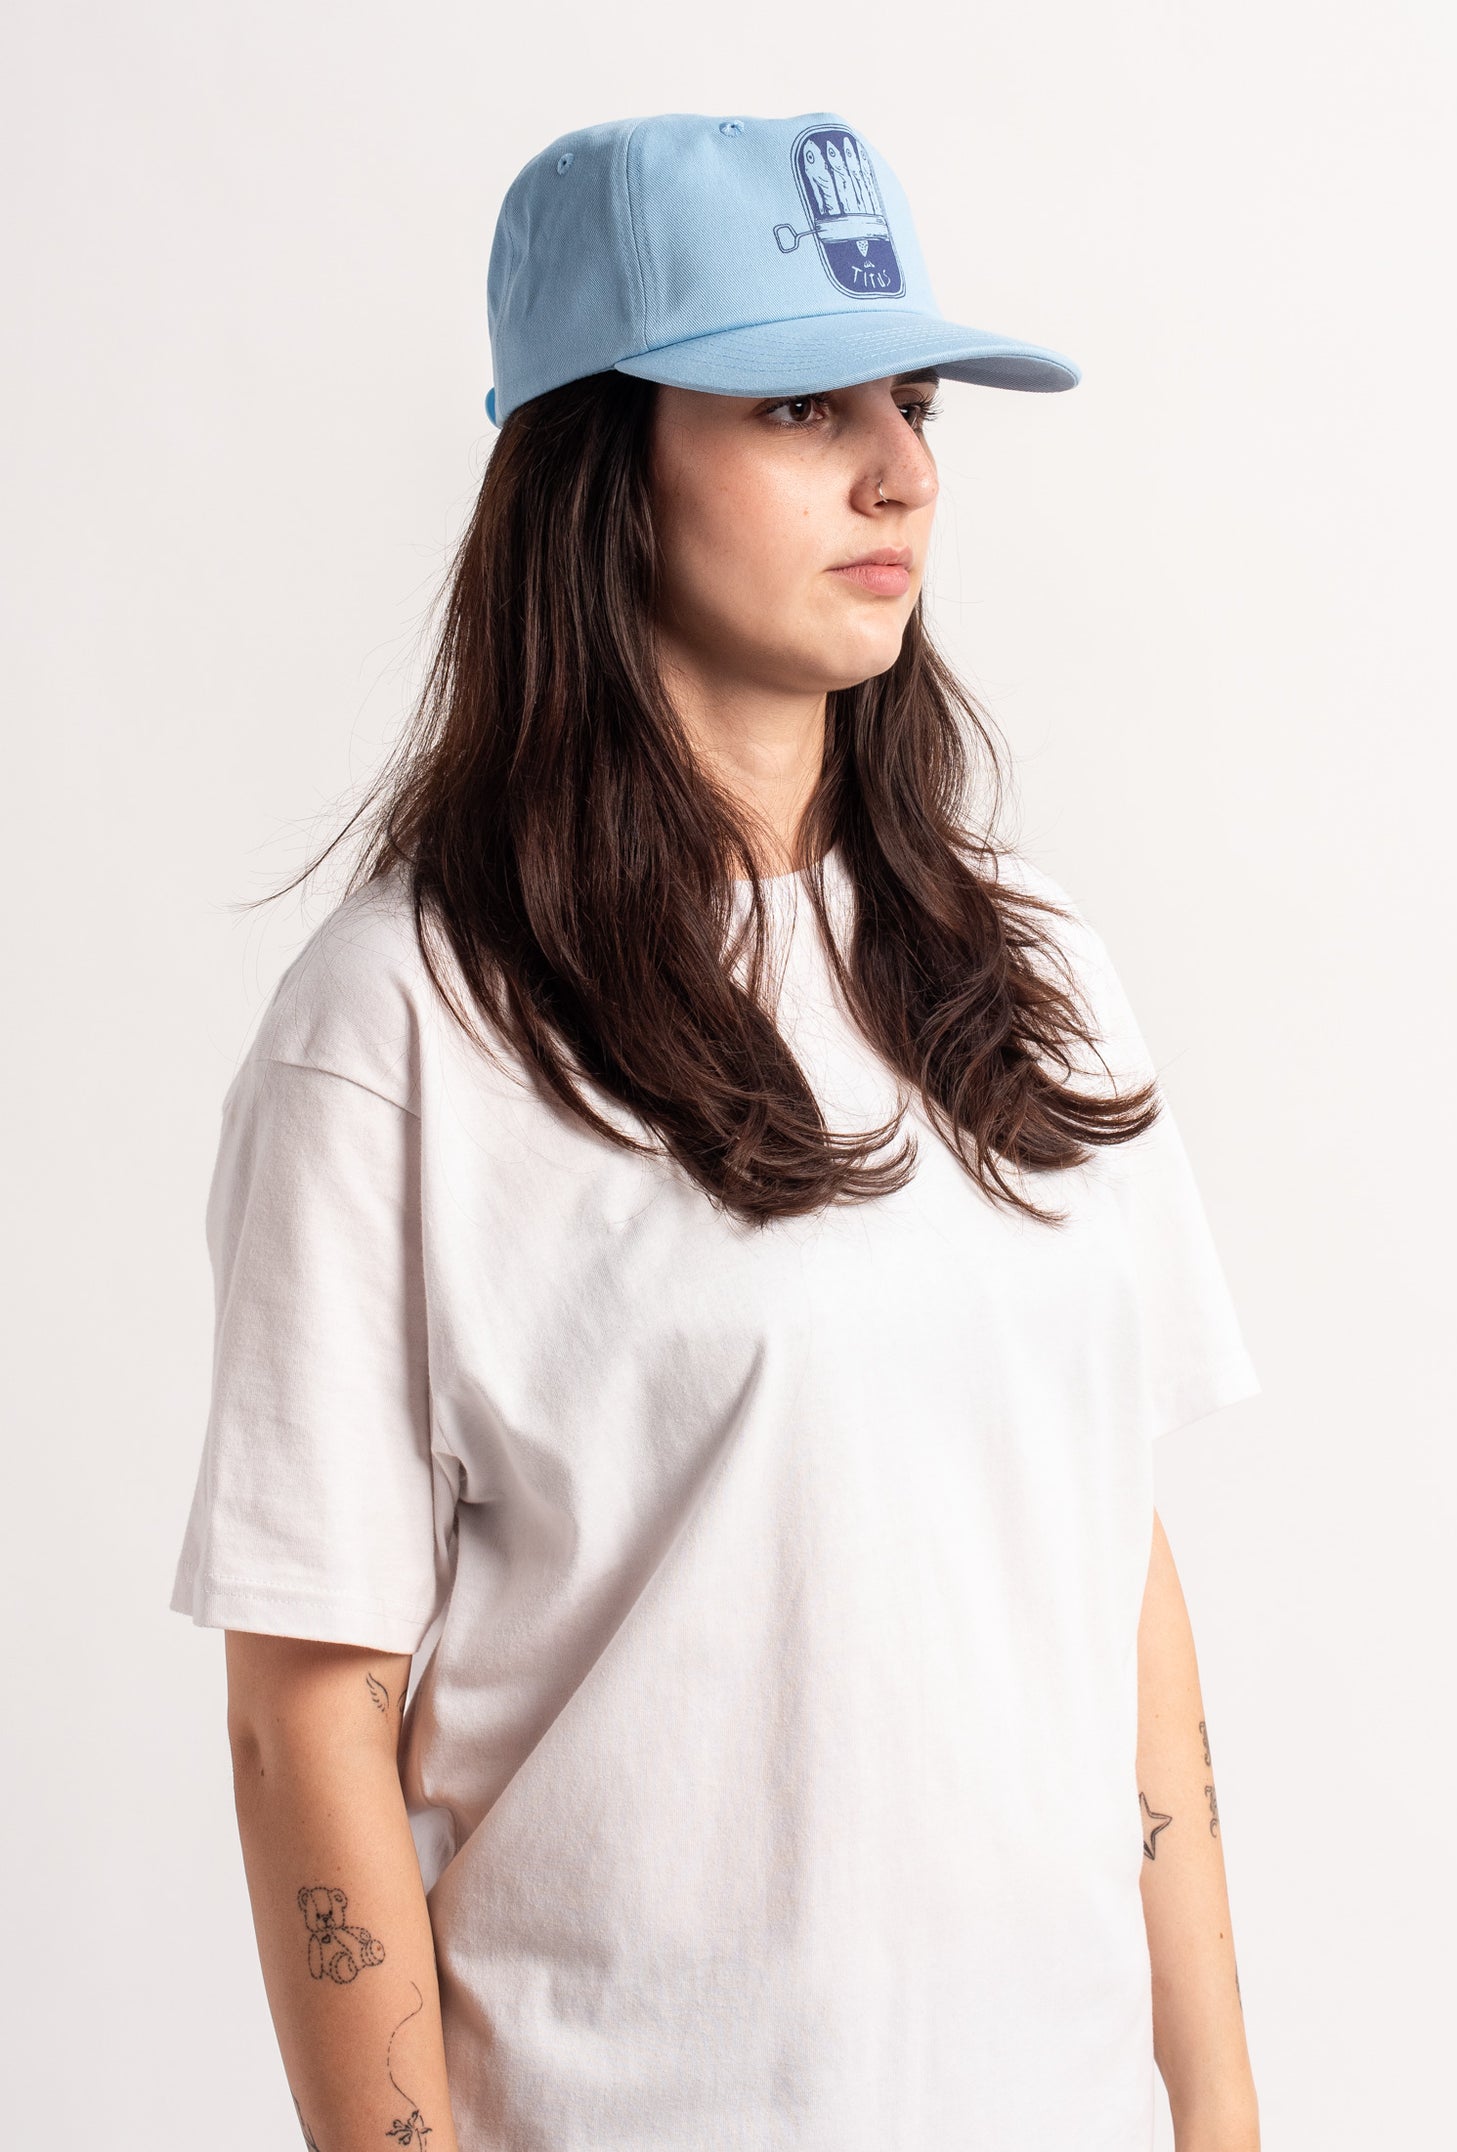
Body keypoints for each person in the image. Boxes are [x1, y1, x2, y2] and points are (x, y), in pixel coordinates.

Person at [169, 110, 1263, 2152]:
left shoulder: (1031, 973)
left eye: (913, 401)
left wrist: (1219, 2112)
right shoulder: (403, 1025)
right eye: (796, 403)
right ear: (601, 462)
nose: (900, 469)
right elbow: (303, 1714)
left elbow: (1115, 1578)